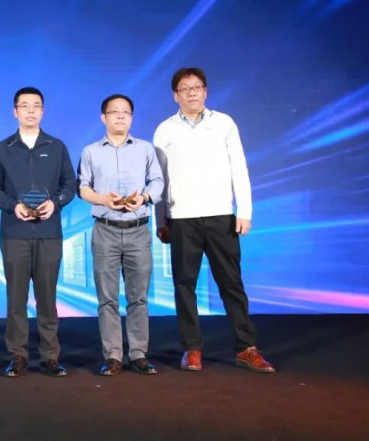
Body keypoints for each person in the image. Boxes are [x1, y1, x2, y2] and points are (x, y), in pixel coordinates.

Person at [153, 67, 275, 373]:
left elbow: (239, 168)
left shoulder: (224, 123)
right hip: (181, 218)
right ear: (176, 95)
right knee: (184, 285)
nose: (191, 93)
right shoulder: (165, 130)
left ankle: (246, 347)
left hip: (221, 215)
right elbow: (159, 178)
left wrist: (244, 210)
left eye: (197, 87)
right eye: (185, 88)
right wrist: (160, 219)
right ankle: (192, 348)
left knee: (231, 282)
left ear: (205, 91)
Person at [0, 87, 77, 377]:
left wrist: (56, 203)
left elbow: (70, 185)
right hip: (15, 232)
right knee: (16, 298)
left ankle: (50, 356)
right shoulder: (3, 149)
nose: (30, 111)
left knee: (47, 297)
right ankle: (18, 356)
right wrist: (13, 206)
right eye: (24, 106)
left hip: (49, 232)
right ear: (15, 112)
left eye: (36, 106)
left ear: (43, 111)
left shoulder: (56, 146)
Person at [78, 94, 164, 376]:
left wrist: (145, 197)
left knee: (138, 298)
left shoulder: (145, 149)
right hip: (106, 229)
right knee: (107, 299)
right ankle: (113, 356)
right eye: (114, 112)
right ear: (103, 117)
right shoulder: (91, 151)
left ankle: (138, 354)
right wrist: (103, 199)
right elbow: (83, 188)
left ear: (131, 117)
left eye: (125, 112)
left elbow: (157, 181)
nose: (120, 116)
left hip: (138, 229)